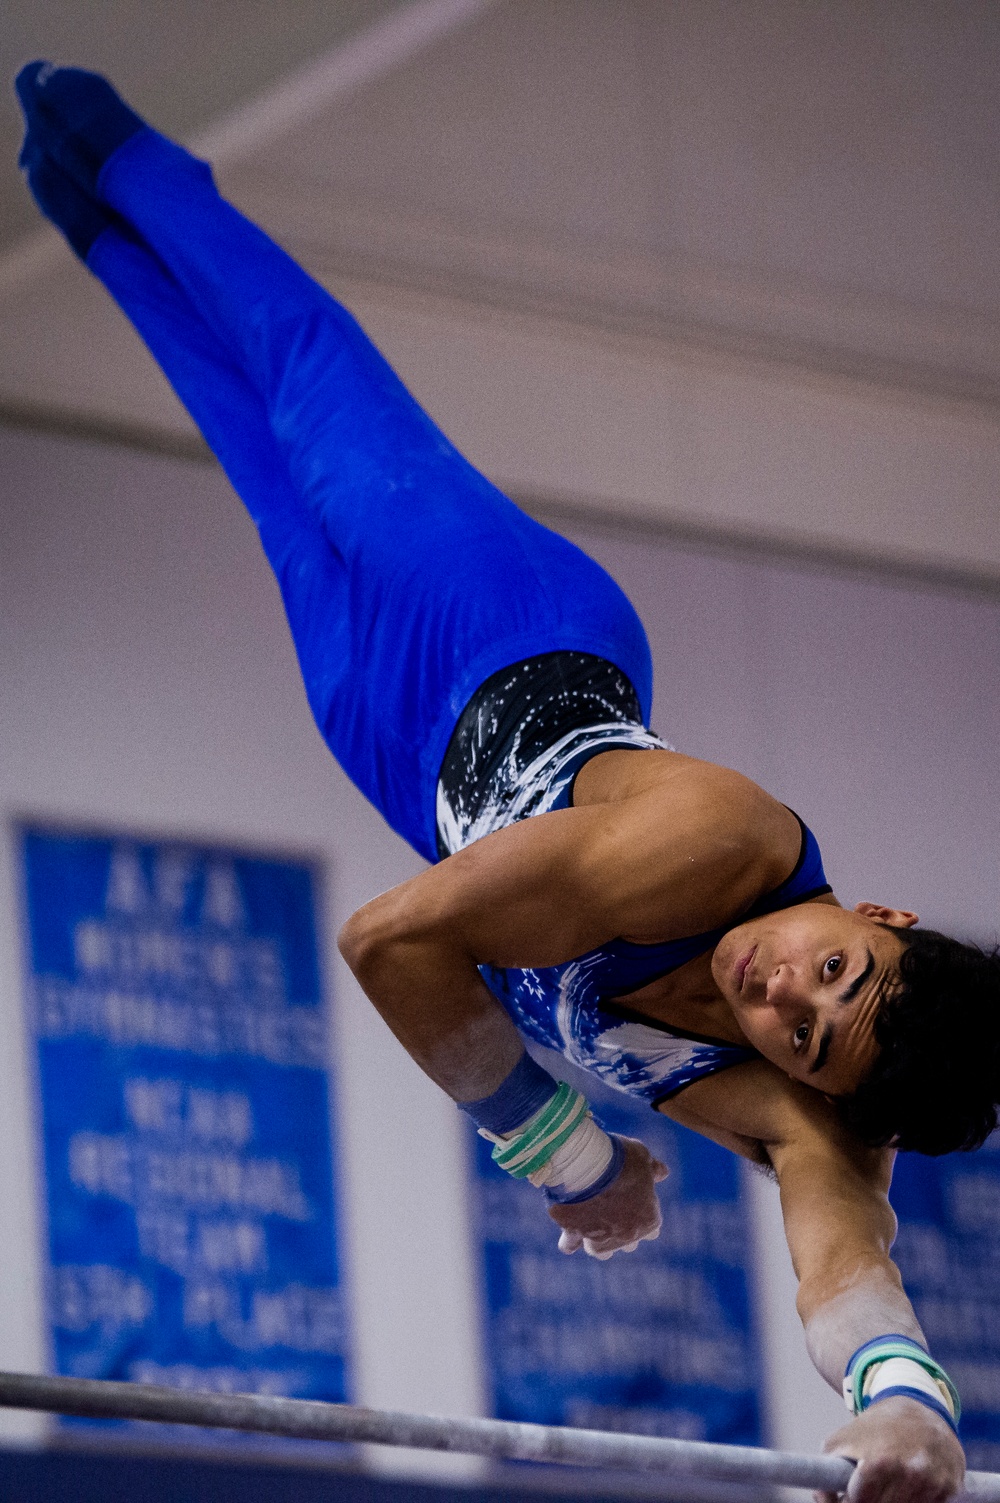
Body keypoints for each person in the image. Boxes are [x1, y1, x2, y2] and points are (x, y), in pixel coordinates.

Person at [15, 60, 997, 1503]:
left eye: (806, 1037)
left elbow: (852, 1268)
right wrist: (564, 1156)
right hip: (489, 615)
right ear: (883, 911)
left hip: (389, 741)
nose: (782, 998)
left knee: (253, 463)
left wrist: (905, 1411)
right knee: (305, 377)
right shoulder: (711, 850)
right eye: (832, 966)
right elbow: (391, 939)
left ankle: (88, 224)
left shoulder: (804, 1111)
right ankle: (134, 156)